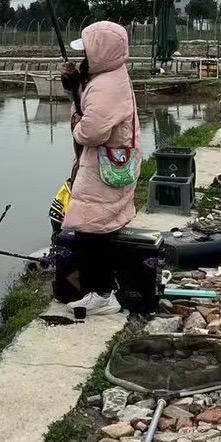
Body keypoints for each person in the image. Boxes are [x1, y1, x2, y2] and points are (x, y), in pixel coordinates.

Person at [56, 20, 139, 317]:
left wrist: (77, 127)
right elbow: (92, 110)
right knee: (99, 229)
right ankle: (101, 290)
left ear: (101, 51)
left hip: (103, 167)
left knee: (91, 231)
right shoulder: (111, 76)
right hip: (108, 163)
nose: (84, 57)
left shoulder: (105, 86)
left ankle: (102, 294)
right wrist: (75, 87)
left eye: (88, 51)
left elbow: (92, 132)